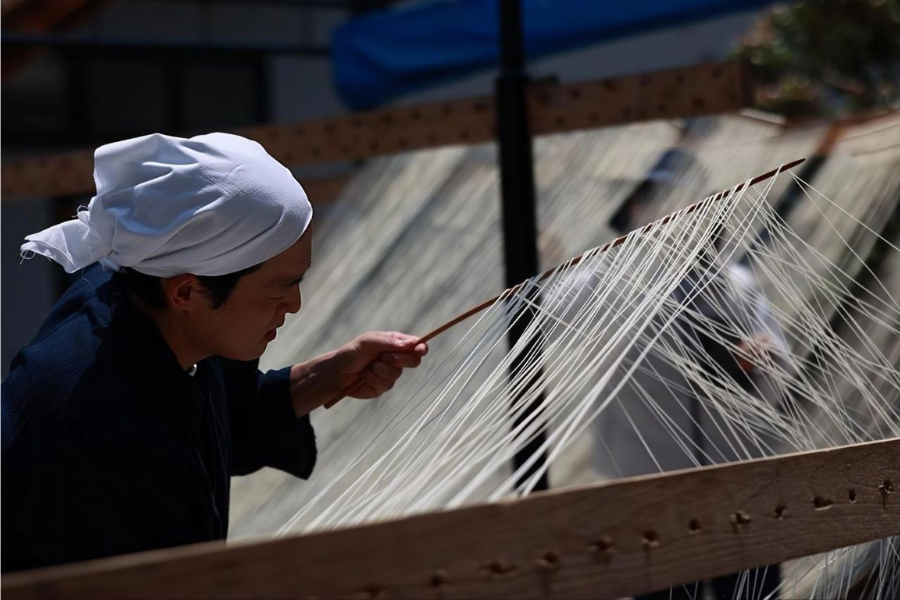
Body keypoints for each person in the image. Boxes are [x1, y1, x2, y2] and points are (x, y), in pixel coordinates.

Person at [1, 133, 428, 573]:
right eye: (278, 290)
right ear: (187, 290)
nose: (295, 305)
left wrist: (331, 375)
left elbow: (224, 424)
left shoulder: (152, 313)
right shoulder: (95, 421)